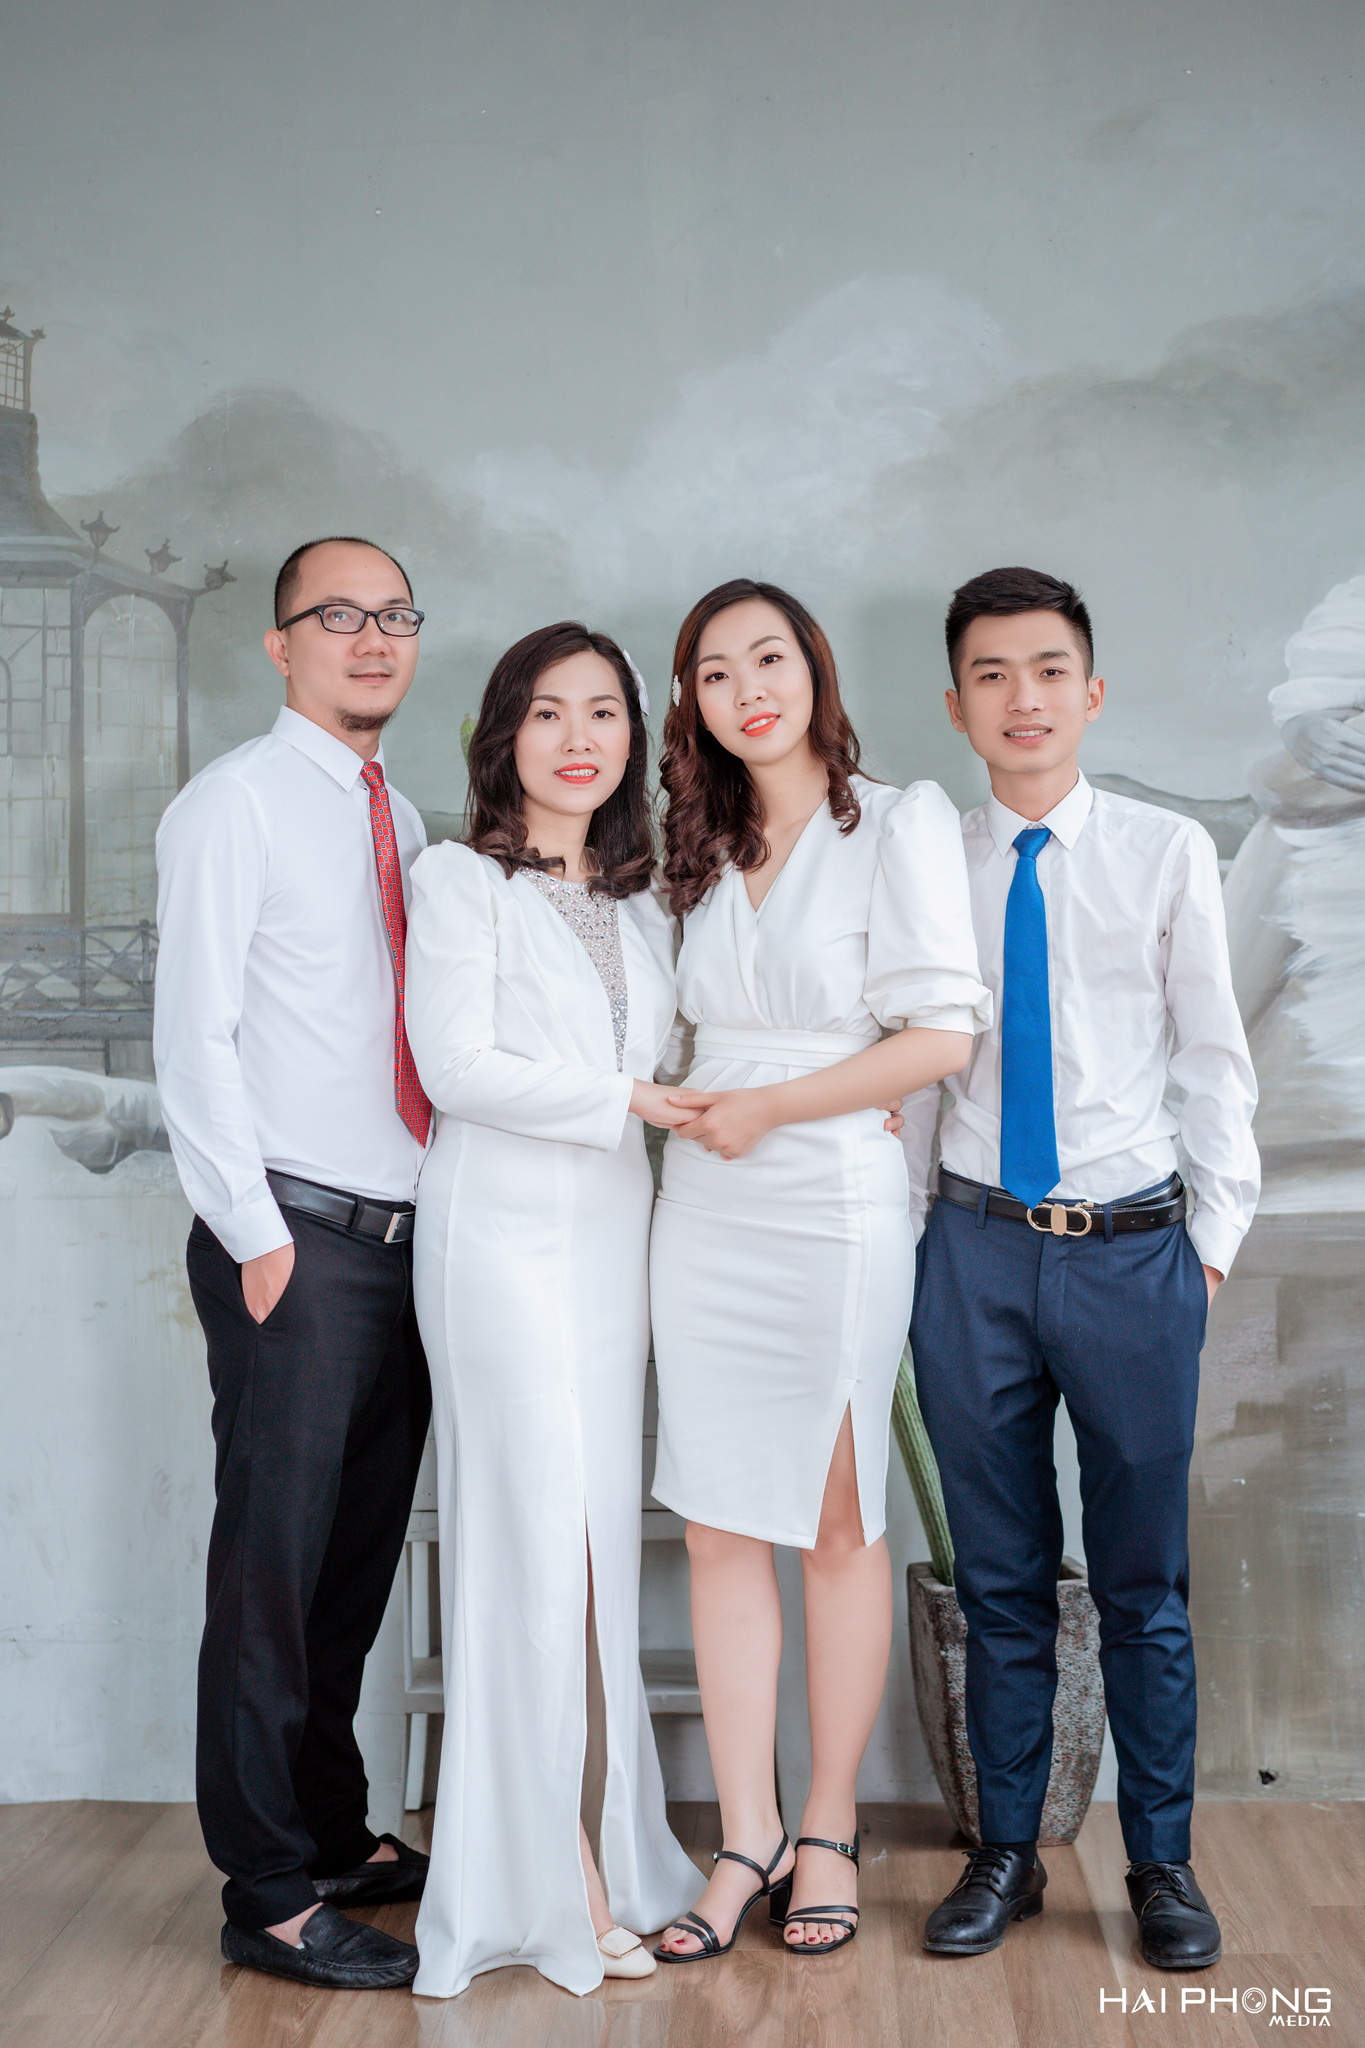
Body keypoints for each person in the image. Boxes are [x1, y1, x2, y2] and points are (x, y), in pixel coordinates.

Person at [910, 566, 1259, 1970]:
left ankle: (1161, 1863)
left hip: (1131, 1254)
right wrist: (914, 1252)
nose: (1023, 698)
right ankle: (1005, 1852)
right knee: (998, 1580)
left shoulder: (1167, 851)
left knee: (1141, 1584)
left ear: (1092, 692)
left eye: (1048, 670)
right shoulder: (929, 861)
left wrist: (1207, 1251)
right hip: (972, 1252)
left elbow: (1212, 1056)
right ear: (956, 706)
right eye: (990, 674)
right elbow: (913, 1070)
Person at [649, 579, 990, 1962]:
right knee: (719, 1523)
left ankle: (829, 1827)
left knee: (836, 1521)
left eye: (769, 659)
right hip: (702, 1201)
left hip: (833, 1195)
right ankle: (745, 1838)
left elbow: (941, 1038)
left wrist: (776, 1108)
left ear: (814, 671)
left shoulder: (896, 821)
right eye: (716, 672)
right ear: (694, 704)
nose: (748, 690)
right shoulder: (692, 848)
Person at [404, 623, 701, 1999]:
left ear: (634, 738)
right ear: (502, 736)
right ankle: (551, 1879)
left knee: (589, 1548)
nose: (578, 737)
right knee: (526, 1547)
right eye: (546, 712)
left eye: (604, 712)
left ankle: (608, 1849)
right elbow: (455, 1066)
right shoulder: (457, 878)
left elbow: (694, 1057)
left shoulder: (644, 905)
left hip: (609, 1242)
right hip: (498, 1239)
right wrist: (625, 1100)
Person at [154, 537, 434, 1990]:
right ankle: (265, 1889)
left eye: (393, 616)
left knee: (350, 1565)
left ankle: (329, 1832)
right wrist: (256, 1239)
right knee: (270, 1574)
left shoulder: (406, 814)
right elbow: (191, 1035)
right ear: (281, 644)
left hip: (405, 1247)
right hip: (296, 1245)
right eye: (338, 615)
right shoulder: (234, 805)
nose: (371, 638)